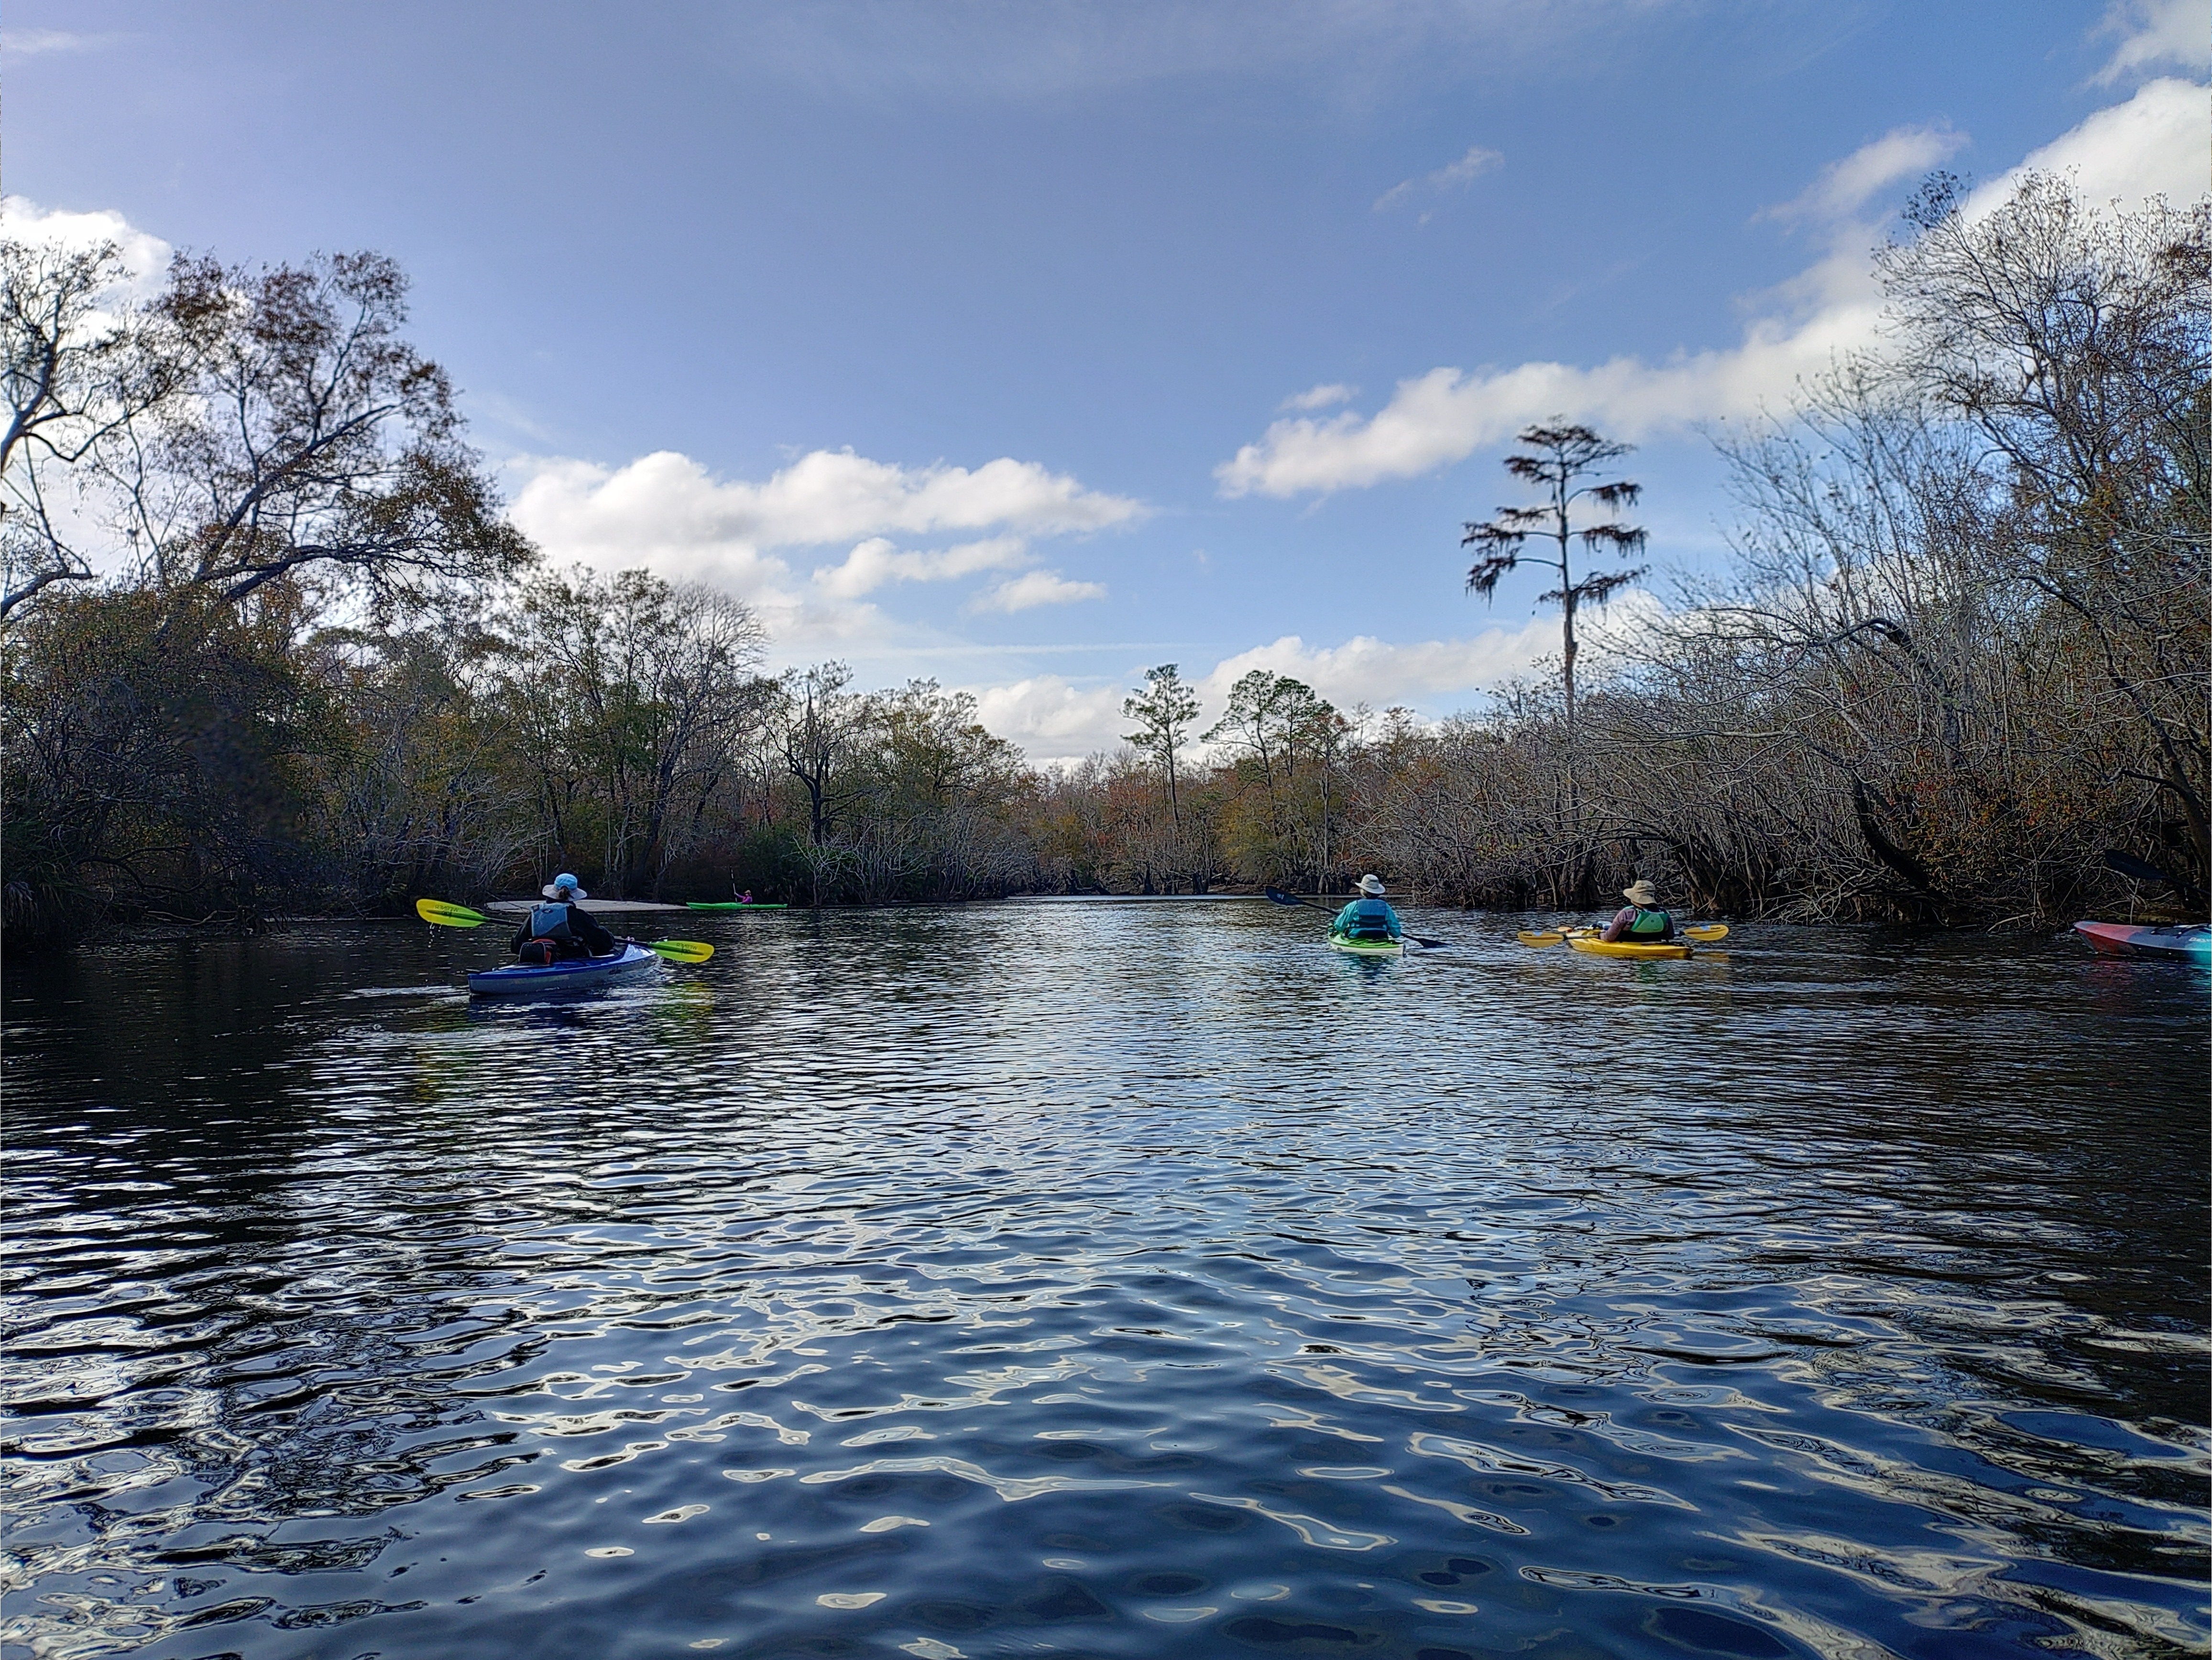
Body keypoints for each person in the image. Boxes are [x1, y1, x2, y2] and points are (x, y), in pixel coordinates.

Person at [512, 873, 618, 964]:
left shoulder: (536, 915)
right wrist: (611, 937)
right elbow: (604, 944)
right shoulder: (579, 916)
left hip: (540, 960)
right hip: (573, 961)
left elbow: (515, 946)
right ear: (574, 894)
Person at [1601, 879, 1677, 944]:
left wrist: (1600, 935)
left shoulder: (1627, 913)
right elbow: (1670, 936)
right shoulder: (1663, 913)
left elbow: (1609, 938)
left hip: (1630, 950)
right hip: (1654, 945)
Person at [1332, 874, 1403, 942]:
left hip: (1356, 938)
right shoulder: (1386, 907)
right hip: (1380, 937)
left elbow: (1339, 927)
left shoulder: (1353, 906)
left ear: (1363, 890)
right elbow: (1396, 934)